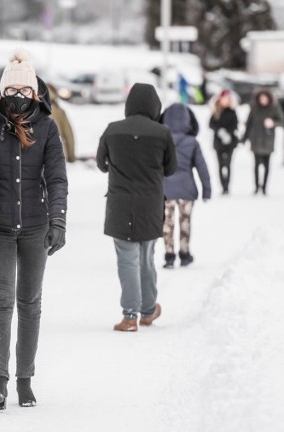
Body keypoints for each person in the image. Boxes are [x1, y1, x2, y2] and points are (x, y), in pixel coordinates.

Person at [0, 51, 68, 410]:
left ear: (36, 92)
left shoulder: (46, 126)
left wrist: (58, 219)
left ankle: (25, 379)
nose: (19, 95)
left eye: (25, 89)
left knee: (29, 304)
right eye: (12, 88)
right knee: (1, 302)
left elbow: (56, 177)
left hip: (35, 229)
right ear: (1, 90)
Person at [96, 83, 177, 332]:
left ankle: (130, 316)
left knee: (127, 260)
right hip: (150, 204)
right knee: (146, 258)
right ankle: (149, 309)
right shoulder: (162, 133)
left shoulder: (112, 130)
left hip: (120, 204)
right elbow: (171, 168)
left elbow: (101, 163)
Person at [160, 103, 211, 269]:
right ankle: (184, 253)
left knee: (167, 223)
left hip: (165, 189)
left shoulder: (160, 141)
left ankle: (169, 254)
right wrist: (206, 190)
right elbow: (202, 168)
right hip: (187, 189)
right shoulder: (192, 142)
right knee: (185, 222)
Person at [242, 89, 284, 196]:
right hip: (255, 139)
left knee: (266, 165)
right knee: (256, 165)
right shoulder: (254, 109)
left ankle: (264, 187)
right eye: (261, 98)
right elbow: (248, 123)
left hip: (268, 140)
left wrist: (273, 123)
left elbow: (282, 121)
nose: (263, 100)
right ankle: (256, 187)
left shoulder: (274, 108)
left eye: (265, 98)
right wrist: (244, 138)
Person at [209, 89, 238, 194]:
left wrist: (228, 134)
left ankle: (227, 186)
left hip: (230, 143)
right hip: (218, 142)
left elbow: (235, 125)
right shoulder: (216, 111)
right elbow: (211, 124)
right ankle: (222, 185)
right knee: (220, 165)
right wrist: (219, 131)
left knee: (228, 164)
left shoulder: (232, 112)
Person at [47, 83, 76, 162]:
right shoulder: (58, 110)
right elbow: (68, 134)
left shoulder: (30, 108)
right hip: (56, 157)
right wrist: (71, 157)